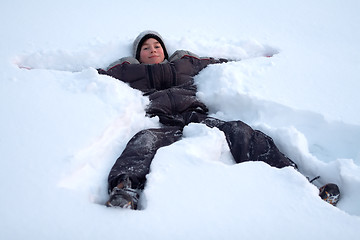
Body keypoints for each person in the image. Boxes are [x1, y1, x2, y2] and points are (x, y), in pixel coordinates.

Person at [97, 30, 340, 209]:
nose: (152, 50)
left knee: (239, 130)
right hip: (163, 122)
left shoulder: (184, 63)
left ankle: (302, 182)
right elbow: (95, 77)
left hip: (196, 116)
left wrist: (258, 60)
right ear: (139, 54)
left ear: (165, 50)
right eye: (146, 47)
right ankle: (124, 190)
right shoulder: (129, 70)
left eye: (157, 45)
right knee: (143, 140)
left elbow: (220, 63)